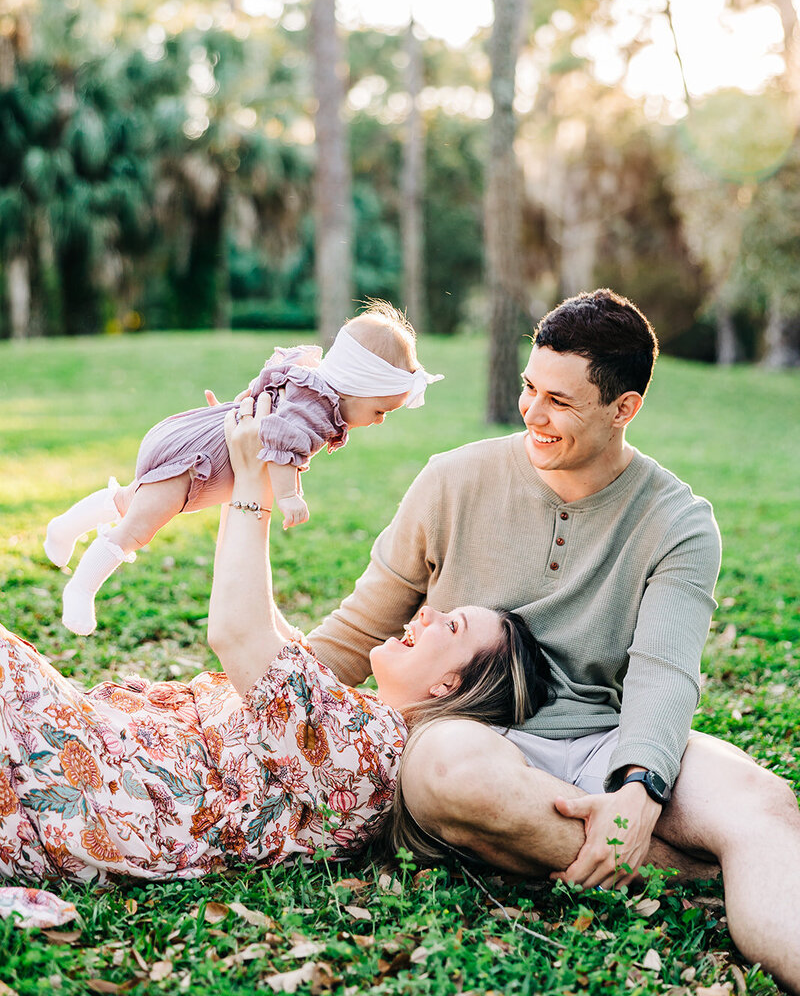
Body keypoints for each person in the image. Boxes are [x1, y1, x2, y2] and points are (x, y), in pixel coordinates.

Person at [307, 289, 800, 993]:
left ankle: (714, 870)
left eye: (560, 402)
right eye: (529, 388)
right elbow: (360, 627)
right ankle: (687, 874)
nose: (533, 414)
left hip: (610, 740)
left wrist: (639, 787)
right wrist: (247, 697)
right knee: (451, 773)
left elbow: (664, 672)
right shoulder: (452, 480)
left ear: (623, 407)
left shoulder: (679, 522)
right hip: (479, 738)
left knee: (762, 803)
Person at [0, 391, 551, 890]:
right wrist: (234, 464)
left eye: (450, 627)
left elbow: (238, 633)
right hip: (74, 752)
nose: (428, 615)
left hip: (81, 795)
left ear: (449, 683)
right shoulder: (346, 709)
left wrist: (254, 481)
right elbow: (258, 617)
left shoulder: (371, 753)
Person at [44, 300, 442, 637]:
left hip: (206, 446)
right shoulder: (313, 407)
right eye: (379, 410)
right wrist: (290, 496)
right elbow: (280, 445)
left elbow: (264, 396)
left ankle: (64, 527)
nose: (380, 420)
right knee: (139, 525)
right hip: (201, 461)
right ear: (355, 385)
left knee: (131, 499)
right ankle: (81, 589)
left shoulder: (309, 388)